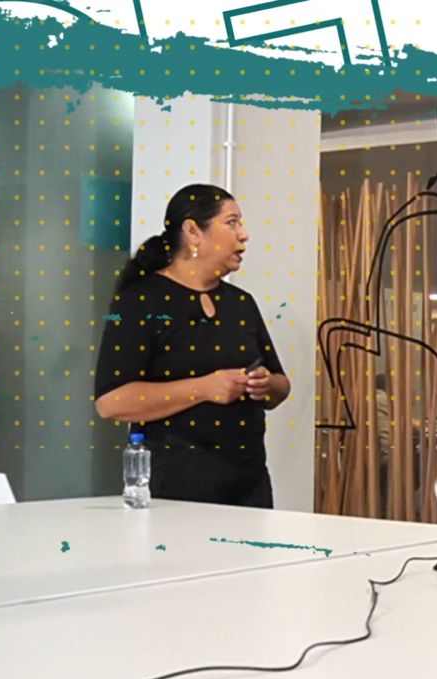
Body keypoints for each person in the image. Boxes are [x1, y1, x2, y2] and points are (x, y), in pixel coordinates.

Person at [94, 184, 291, 507]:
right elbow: (111, 402)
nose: (244, 235)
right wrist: (205, 388)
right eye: (232, 223)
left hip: (249, 484)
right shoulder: (140, 300)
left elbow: (281, 386)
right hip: (177, 487)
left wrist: (266, 384)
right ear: (193, 232)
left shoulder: (241, 303)